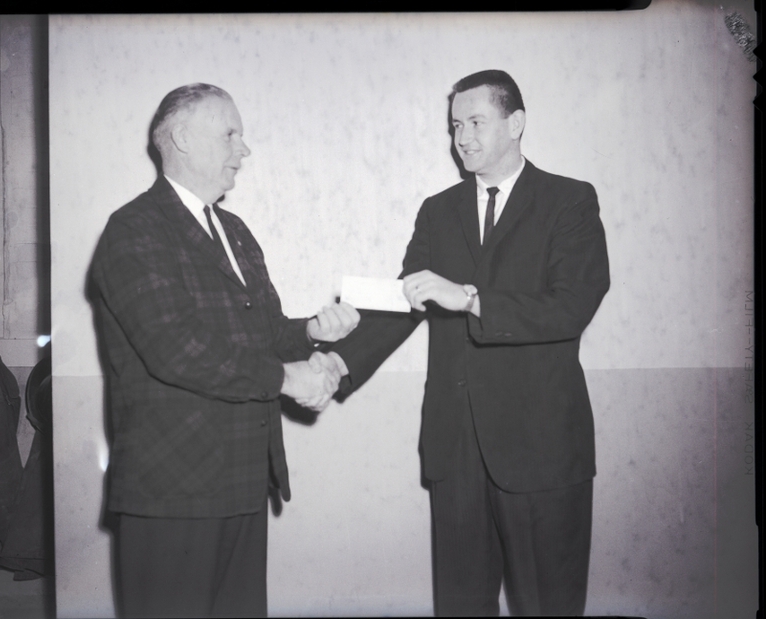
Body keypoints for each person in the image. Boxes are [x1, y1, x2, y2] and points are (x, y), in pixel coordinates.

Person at [328, 70, 610, 616]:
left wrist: (470, 298)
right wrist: (336, 364)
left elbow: (572, 306)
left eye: (476, 122)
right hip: (455, 449)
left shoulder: (570, 201)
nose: (462, 138)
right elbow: (406, 303)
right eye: (456, 125)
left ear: (516, 123)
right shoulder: (438, 210)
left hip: (542, 450)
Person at [90, 83, 356, 618]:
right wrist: (288, 379)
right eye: (230, 134)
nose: (244, 149)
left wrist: (312, 333)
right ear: (182, 138)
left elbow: (266, 332)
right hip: (173, 492)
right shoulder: (133, 229)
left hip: (242, 481)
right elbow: (177, 349)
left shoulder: (235, 230)